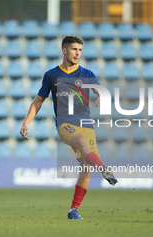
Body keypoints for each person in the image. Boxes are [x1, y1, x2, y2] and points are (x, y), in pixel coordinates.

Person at [20, 35, 117, 220]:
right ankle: (104, 168)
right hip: (65, 124)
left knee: (86, 167)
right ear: (64, 50)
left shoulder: (87, 74)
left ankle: (74, 209)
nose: (77, 53)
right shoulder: (52, 75)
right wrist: (26, 122)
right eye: (74, 49)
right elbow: (38, 100)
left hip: (86, 123)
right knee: (80, 141)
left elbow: (101, 90)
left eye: (80, 50)